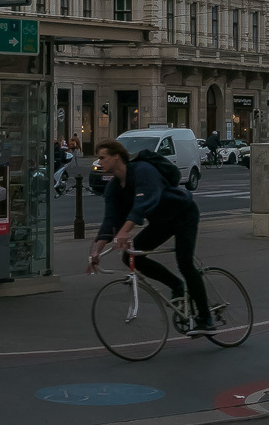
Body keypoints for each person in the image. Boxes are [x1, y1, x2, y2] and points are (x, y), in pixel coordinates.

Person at [87, 139, 212, 333]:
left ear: (116, 157)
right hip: (161, 222)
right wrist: (96, 251)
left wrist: (124, 231)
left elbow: (145, 202)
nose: (99, 162)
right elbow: (110, 219)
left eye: (102, 158)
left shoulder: (142, 170)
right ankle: (176, 285)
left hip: (183, 214)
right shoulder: (114, 187)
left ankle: (206, 318)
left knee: (185, 263)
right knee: (130, 256)